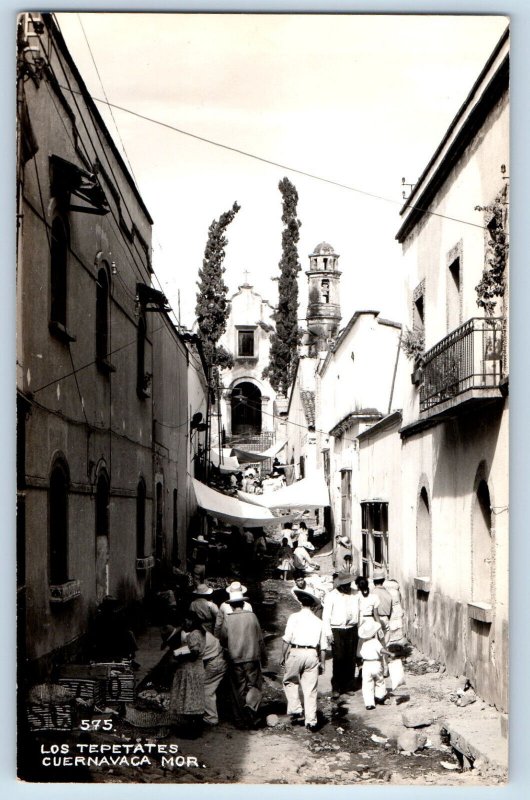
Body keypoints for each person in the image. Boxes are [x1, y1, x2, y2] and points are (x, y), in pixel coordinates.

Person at [218, 591, 268, 728]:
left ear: (232, 605)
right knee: (254, 686)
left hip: (235, 659)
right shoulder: (252, 616)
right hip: (252, 657)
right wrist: (264, 658)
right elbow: (260, 639)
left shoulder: (228, 618)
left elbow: (222, 639)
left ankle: (240, 720)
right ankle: (252, 714)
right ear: (242, 603)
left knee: (237, 690)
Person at [281, 589, 326, 733]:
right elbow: (323, 647)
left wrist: (283, 656)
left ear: (300, 603)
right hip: (312, 654)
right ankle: (311, 721)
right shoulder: (319, 621)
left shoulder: (294, 617)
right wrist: (322, 662)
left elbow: (287, 639)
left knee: (290, 681)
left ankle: (296, 709)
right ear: (313, 606)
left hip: (296, 652)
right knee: (310, 689)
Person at [322, 573, 360, 699]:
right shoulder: (331, 596)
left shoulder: (355, 594)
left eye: (349, 584)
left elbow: (360, 611)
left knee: (351, 657)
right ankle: (336, 687)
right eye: (345, 585)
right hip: (337, 629)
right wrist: (328, 633)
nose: (348, 587)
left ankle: (348, 686)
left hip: (352, 629)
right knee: (339, 658)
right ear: (340, 585)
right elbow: (326, 616)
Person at [168, 612, 206, 736]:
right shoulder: (199, 632)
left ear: (190, 621)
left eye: (185, 622)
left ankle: (191, 731)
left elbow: (194, 653)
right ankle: (195, 730)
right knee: (194, 699)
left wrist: (178, 655)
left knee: (190, 699)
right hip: (195, 670)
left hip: (192, 671)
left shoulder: (194, 634)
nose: (183, 625)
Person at [357, 619, 392, 710]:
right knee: (379, 680)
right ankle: (380, 697)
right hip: (376, 663)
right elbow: (381, 650)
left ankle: (369, 703)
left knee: (367, 684)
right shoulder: (375, 642)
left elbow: (358, 654)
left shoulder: (362, 643)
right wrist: (390, 653)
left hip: (366, 664)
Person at [372, 569, 393, 643]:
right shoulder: (388, 594)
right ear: (383, 580)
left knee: (375, 644)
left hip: (374, 619)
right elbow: (391, 611)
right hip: (385, 619)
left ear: (373, 581)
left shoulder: (372, 593)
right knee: (384, 643)